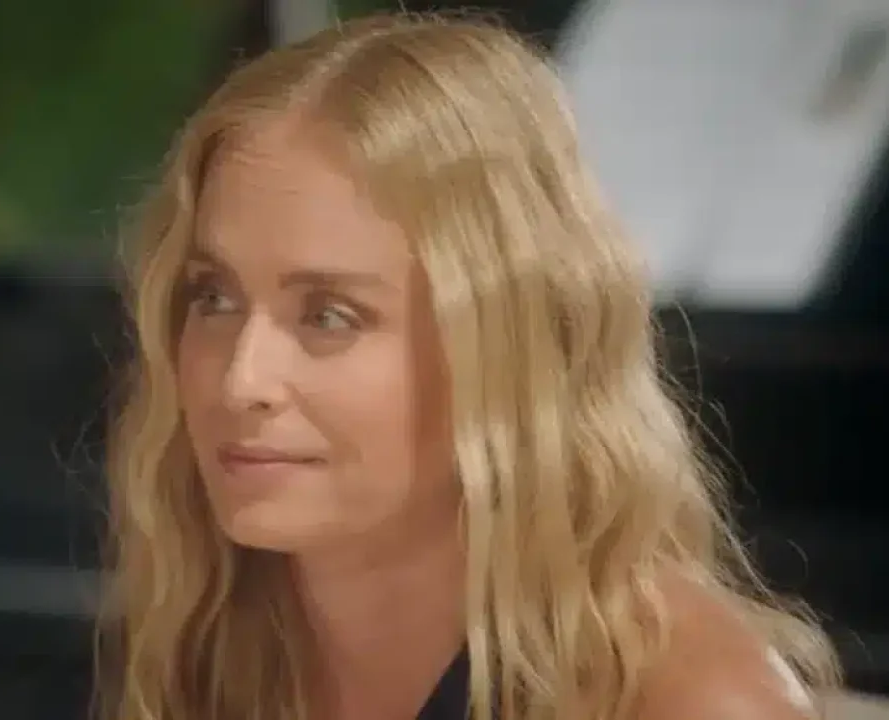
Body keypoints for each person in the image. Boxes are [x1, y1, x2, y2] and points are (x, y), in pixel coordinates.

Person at [95, 12, 839, 720]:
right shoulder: (217, 632)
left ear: (501, 345)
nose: (240, 381)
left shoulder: (686, 702)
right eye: (215, 298)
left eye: (328, 316)